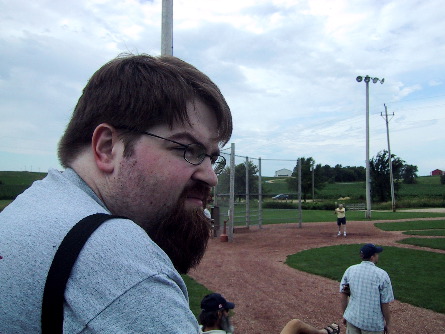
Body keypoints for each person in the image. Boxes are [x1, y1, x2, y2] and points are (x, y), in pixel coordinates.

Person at [0, 54, 232, 333]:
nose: (211, 176)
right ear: (108, 147)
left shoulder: (33, 207)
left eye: (211, 157)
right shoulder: (120, 266)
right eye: (188, 150)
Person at [198, 293, 339, 334]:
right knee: (295, 324)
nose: (228, 314)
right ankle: (324, 333)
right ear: (219, 315)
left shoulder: (197, 329)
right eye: (226, 311)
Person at [340, 244, 394, 334]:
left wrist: (345, 314)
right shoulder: (382, 275)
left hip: (352, 319)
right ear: (372, 257)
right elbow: (385, 303)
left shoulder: (350, 270)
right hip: (372, 324)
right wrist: (388, 324)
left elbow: (343, 295)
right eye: (377, 254)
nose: (378, 256)